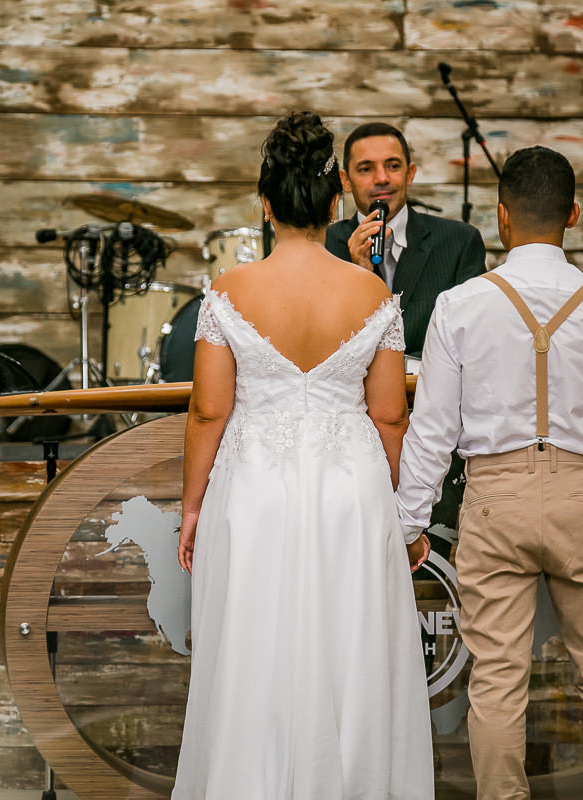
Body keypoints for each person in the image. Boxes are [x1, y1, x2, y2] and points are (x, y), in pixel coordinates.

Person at [172, 111, 433, 800]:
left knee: (253, 653)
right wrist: (404, 514)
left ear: (265, 203)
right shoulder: (374, 295)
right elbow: (390, 415)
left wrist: (193, 505)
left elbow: (208, 409)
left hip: (254, 491)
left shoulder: (229, 292)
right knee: (353, 652)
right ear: (335, 201)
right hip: (352, 495)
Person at [394, 146, 583, 800]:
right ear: (572, 213)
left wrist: (407, 524)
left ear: (500, 219)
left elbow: (432, 433)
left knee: (495, 681)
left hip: (495, 500)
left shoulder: (459, 307)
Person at [325, 121, 487, 357]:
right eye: (366, 169)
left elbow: (473, 339)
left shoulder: (459, 242)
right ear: (345, 180)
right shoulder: (324, 246)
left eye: (393, 166)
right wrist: (358, 274)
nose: (381, 178)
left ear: (410, 173)